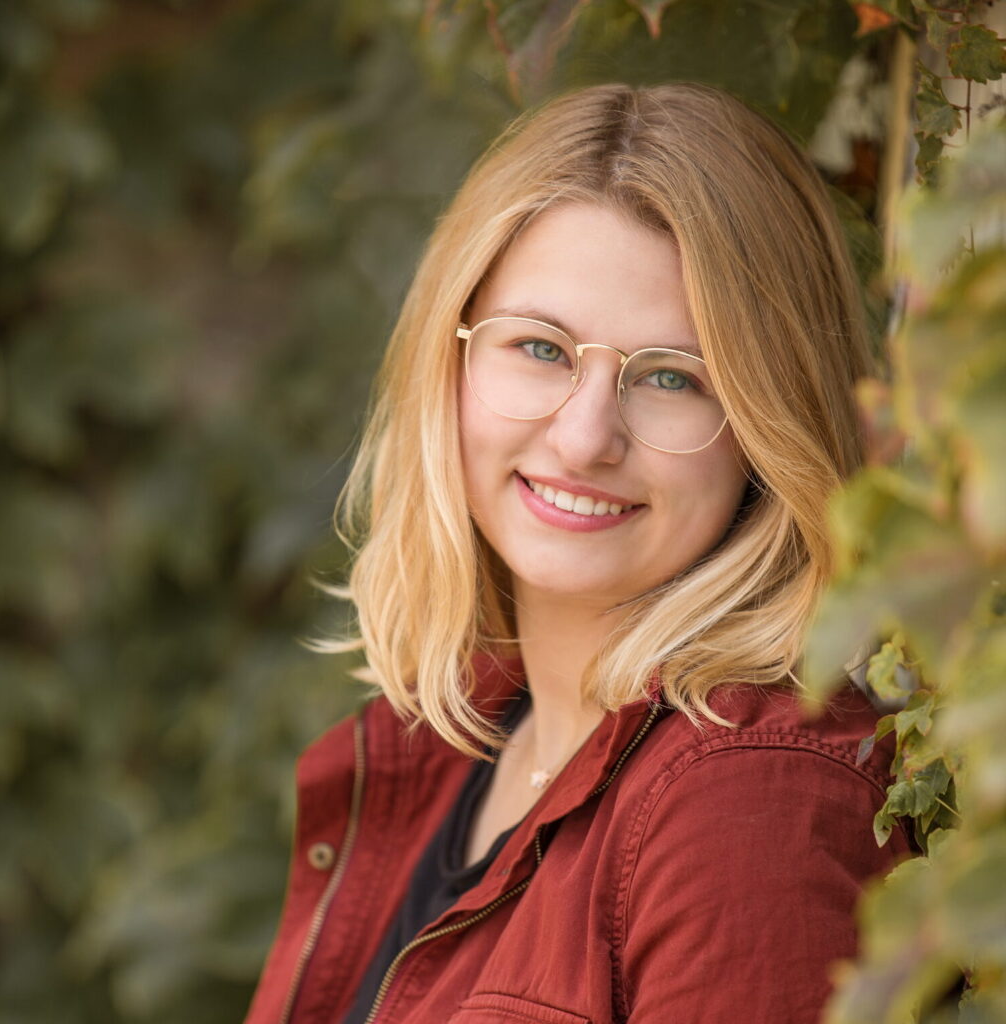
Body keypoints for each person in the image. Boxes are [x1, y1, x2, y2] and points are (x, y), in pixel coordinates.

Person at [244, 82, 911, 1024]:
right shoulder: (448, 738)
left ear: (767, 423)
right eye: (542, 350)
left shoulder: (752, 806)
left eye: (673, 377)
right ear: (453, 359)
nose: (584, 437)